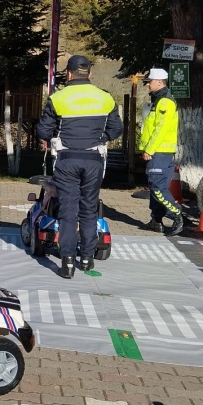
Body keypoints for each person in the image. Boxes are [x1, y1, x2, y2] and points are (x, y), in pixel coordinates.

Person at [36, 55, 123, 278]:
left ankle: (67, 263)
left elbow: (43, 131)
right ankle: (86, 258)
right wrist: (100, 137)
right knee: (89, 209)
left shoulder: (58, 98)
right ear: (90, 74)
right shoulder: (105, 98)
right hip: (94, 159)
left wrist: (57, 136)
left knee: (67, 211)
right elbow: (116, 129)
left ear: (69, 74)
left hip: (66, 159)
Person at [138, 68, 184, 236]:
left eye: (149, 82)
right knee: (157, 187)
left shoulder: (165, 102)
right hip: (160, 152)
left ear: (159, 82)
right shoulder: (159, 100)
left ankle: (177, 214)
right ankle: (156, 220)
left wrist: (149, 149)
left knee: (157, 188)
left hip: (160, 152)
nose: (148, 85)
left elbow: (160, 129)